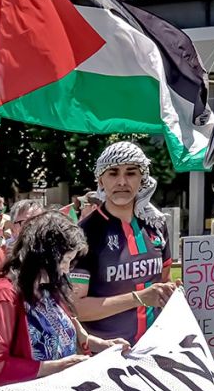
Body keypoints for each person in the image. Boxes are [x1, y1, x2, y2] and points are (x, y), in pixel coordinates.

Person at [0, 211, 130, 385]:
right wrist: (56, 366)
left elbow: (68, 335)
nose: (67, 269)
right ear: (44, 256)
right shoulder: (6, 295)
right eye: (65, 261)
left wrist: (104, 345)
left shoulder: (49, 288)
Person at [70, 141, 178, 345]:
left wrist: (172, 291)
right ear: (100, 181)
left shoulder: (156, 224)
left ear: (142, 179)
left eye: (130, 173)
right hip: (104, 356)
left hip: (155, 349)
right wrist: (138, 298)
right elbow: (76, 308)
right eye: (113, 173)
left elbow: (164, 280)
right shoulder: (84, 233)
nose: (122, 182)